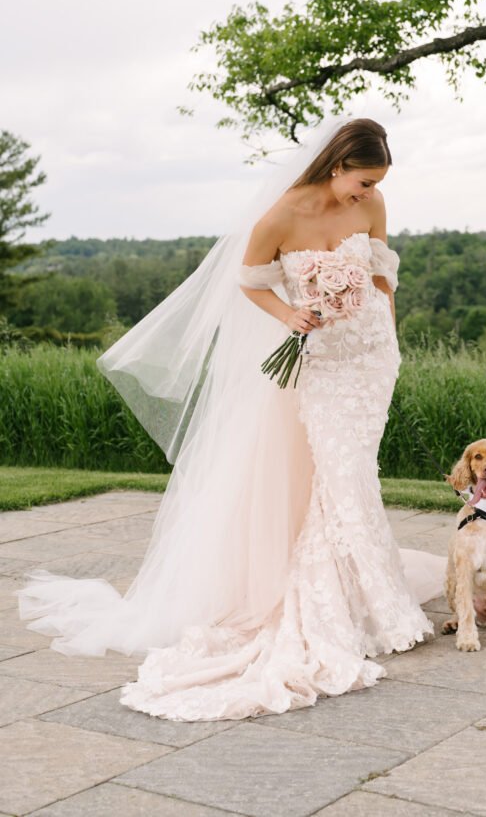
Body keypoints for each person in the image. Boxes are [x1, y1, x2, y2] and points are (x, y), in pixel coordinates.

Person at [15, 117, 446, 722]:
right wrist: (292, 317)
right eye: (362, 181)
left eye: (375, 184)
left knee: (353, 474)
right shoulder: (280, 214)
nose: (367, 193)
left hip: (370, 360)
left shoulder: (374, 206)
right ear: (337, 164)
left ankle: (366, 596)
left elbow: (382, 275)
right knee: (342, 474)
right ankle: (347, 604)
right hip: (319, 361)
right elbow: (248, 281)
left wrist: (388, 338)